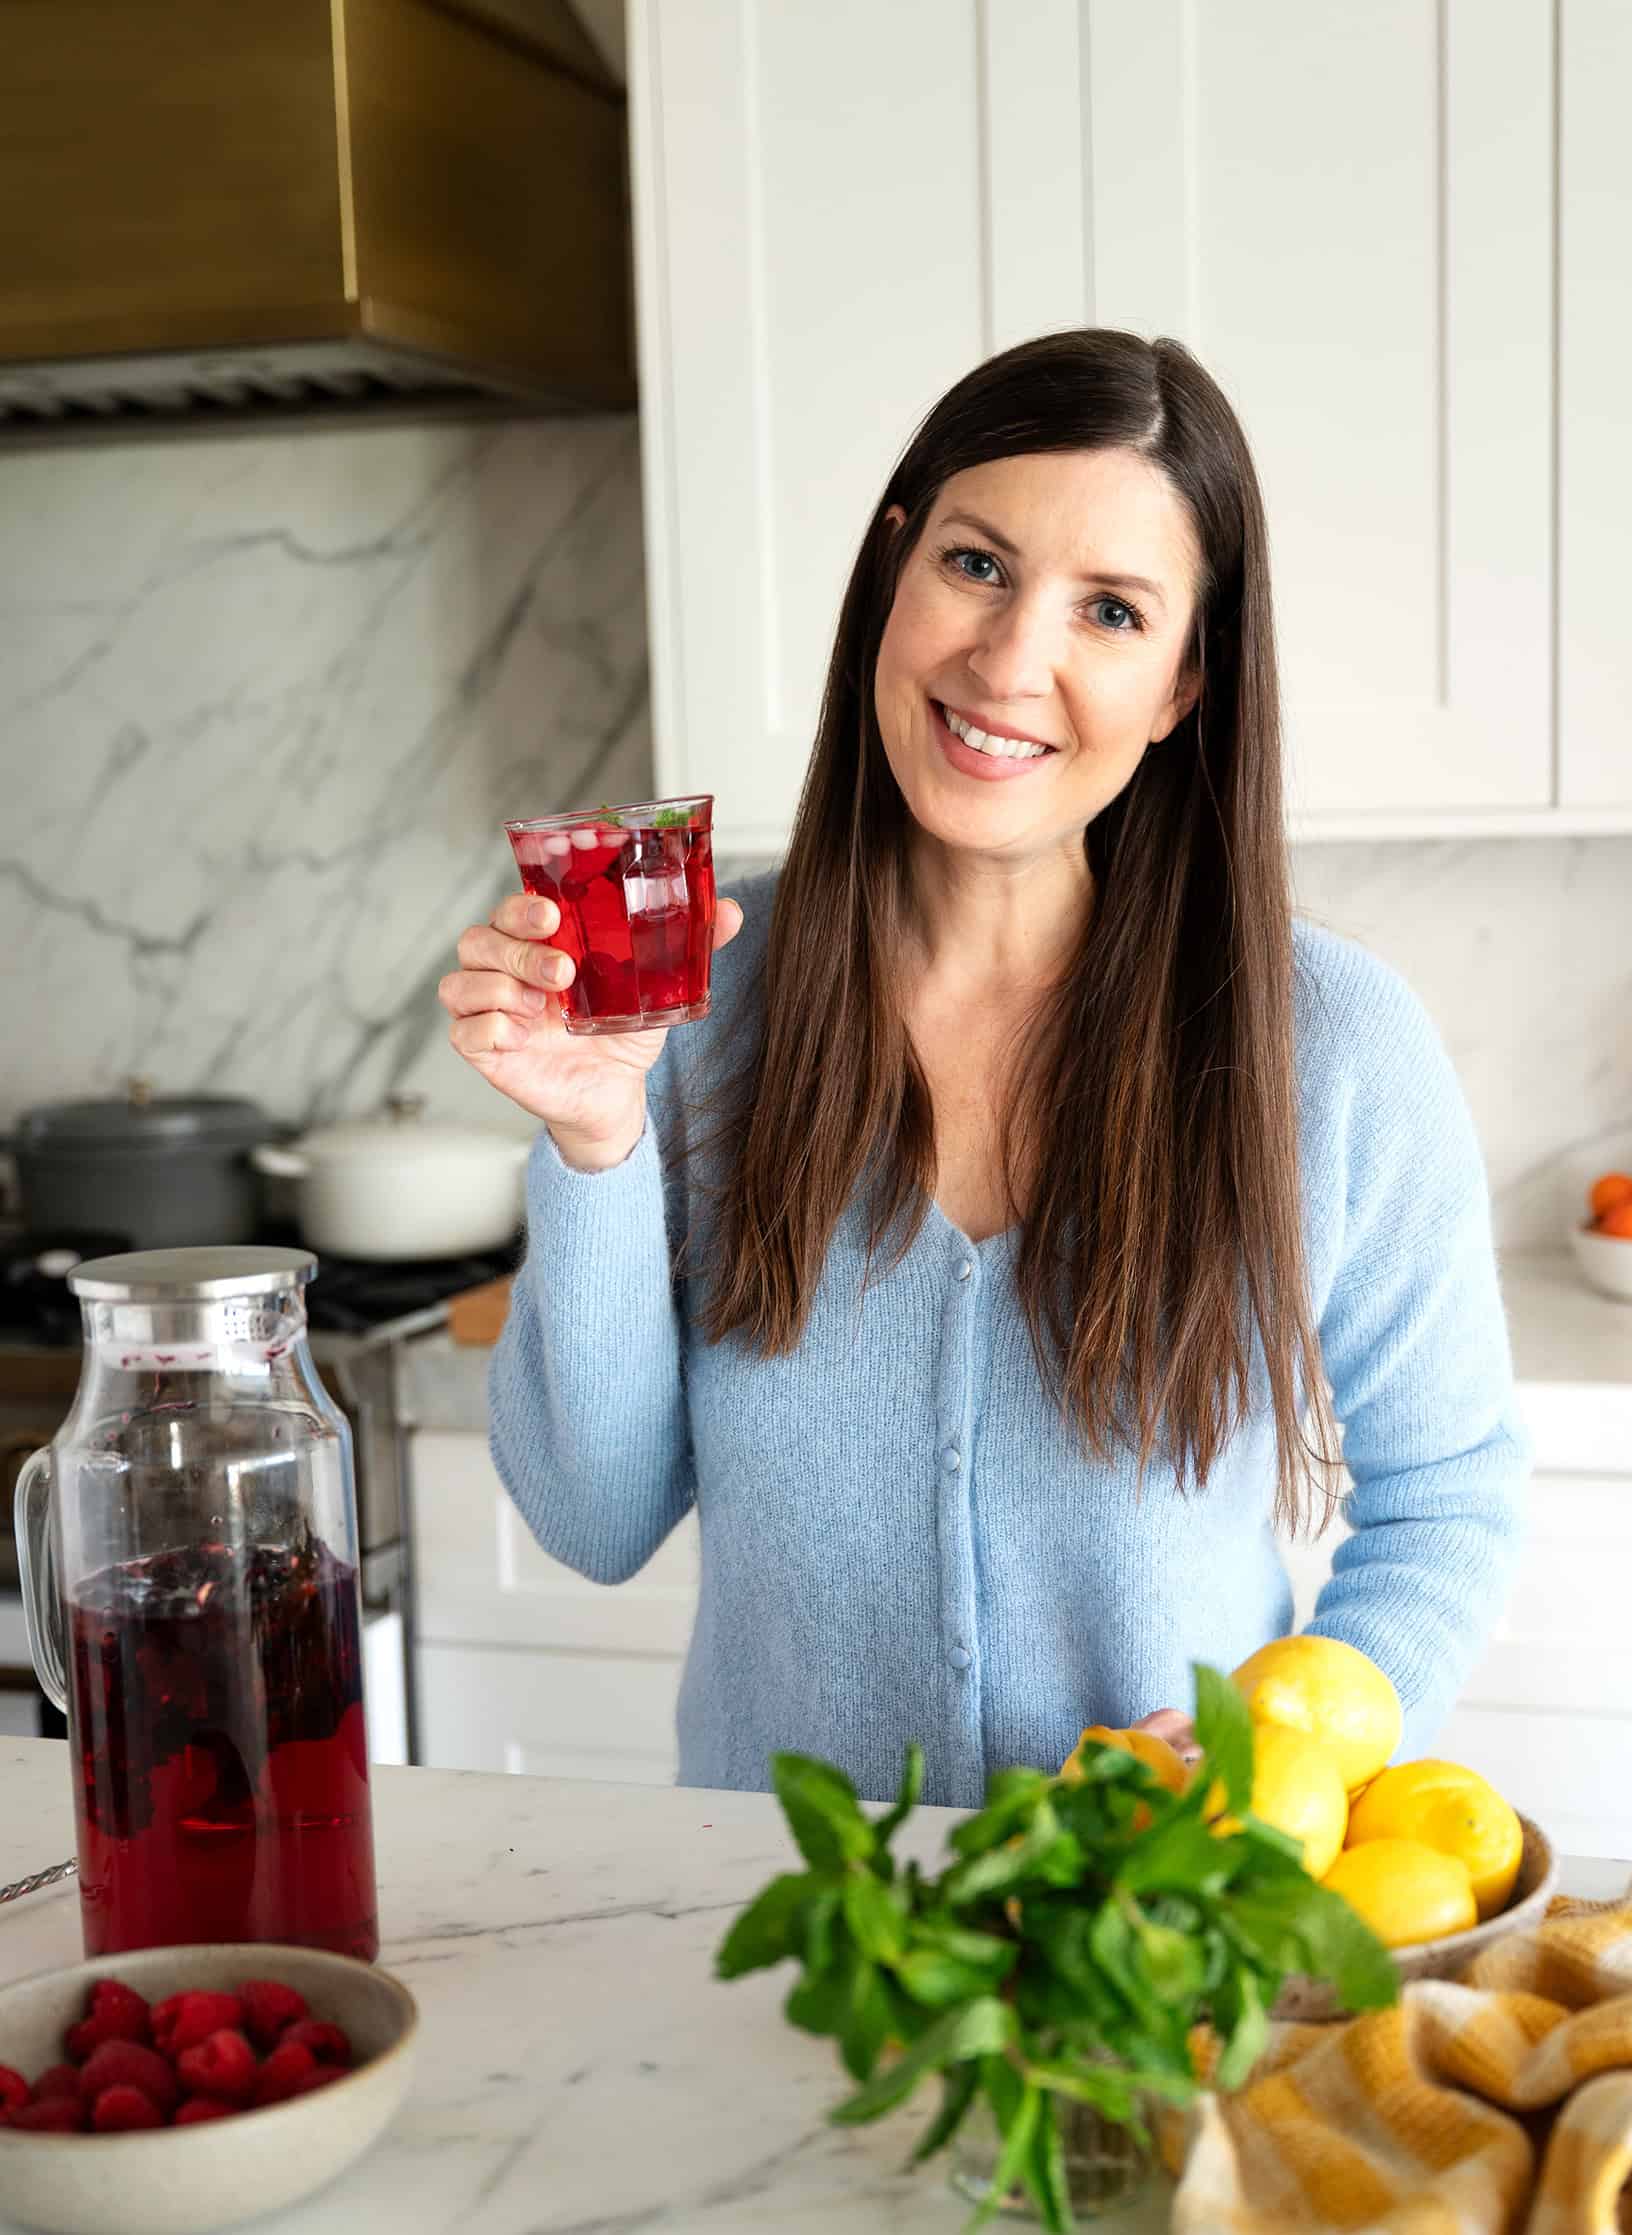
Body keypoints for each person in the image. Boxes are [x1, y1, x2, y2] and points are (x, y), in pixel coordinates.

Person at [440, 330, 1528, 1808]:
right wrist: (594, 1140)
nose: (1013, 663)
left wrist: (1288, 1752)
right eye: (977, 565)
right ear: (895, 567)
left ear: (1185, 682)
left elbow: (1449, 1495)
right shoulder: (694, 1006)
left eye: (1113, 611)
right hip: (793, 1948)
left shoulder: (1324, 1045)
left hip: (1150, 1936)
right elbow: (594, 1519)